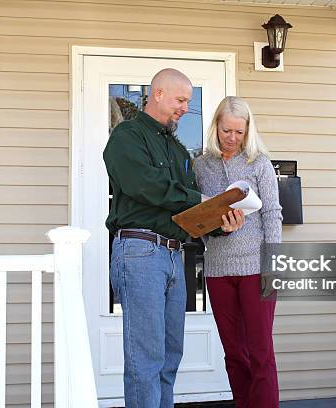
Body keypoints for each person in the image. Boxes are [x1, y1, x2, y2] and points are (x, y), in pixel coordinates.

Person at [103, 69, 244, 408]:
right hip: (139, 251)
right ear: (158, 93)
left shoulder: (180, 152)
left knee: (169, 354)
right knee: (146, 355)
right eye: (181, 100)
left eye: (188, 102)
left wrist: (219, 221)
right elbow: (145, 185)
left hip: (173, 255)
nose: (185, 108)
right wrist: (197, 201)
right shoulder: (128, 136)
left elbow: (188, 211)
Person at [193, 96, 283, 408]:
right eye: (226, 130)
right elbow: (198, 217)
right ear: (215, 127)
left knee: (260, 353)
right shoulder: (200, 166)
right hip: (218, 269)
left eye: (239, 132)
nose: (232, 138)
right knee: (234, 353)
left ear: (248, 131)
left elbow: (272, 213)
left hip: (257, 268)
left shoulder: (259, 164)